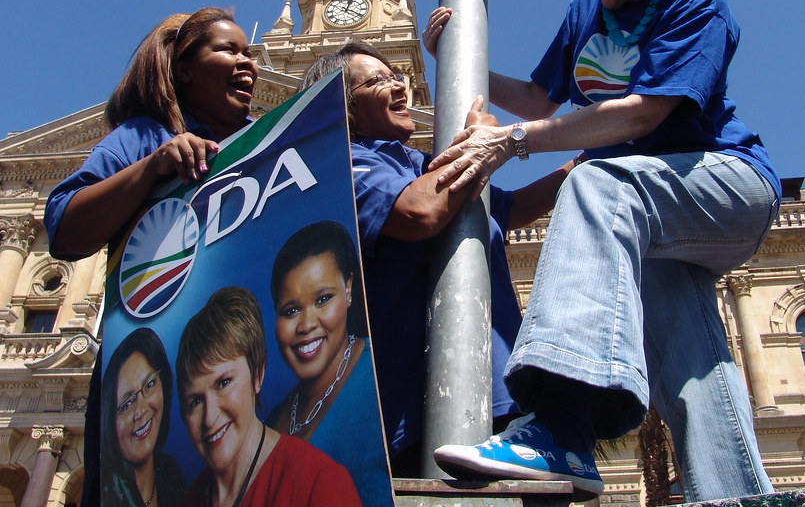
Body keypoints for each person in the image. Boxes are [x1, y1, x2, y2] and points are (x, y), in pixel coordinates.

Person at [426, 0, 782, 502]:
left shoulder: (698, 6)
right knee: (687, 341)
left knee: (596, 181)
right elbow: (538, 99)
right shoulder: (586, 10)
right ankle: (736, 494)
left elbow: (645, 112)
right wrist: (458, 59)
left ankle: (562, 425)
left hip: (725, 189)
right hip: (651, 221)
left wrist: (513, 141)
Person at [300, 40, 574, 477]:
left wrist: (583, 162)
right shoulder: (340, 164)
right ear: (342, 106)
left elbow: (511, 209)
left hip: (501, 395)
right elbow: (419, 213)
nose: (398, 87)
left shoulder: (420, 164)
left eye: (397, 77)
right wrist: (475, 145)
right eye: (377, 81)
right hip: (420, 408)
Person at [45, 7, 259, 507]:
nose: (247, 62)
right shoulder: (146, 137)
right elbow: (66, 228)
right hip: (145, 372)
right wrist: (154, 167)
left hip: (232, 374)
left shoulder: (272, 140)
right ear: (183, 68)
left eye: (249, 52)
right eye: (229, 50)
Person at [176, 286, 360, 507]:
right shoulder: (192, 499)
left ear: (257, 374)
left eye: (224, 383)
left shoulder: (318, 483)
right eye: (195, 401)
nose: (209, 417)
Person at [266, 220, 390, 505]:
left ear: (348, 290)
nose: (306, 324)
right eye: (291, 310)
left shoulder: (381, 377)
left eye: (323, 299)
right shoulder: (270, 423)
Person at [103, 328, 186, 507]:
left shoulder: (171, 474)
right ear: (108, 420)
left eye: (149, 385)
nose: (141, 410)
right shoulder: (105, 492)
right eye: (126, 404)